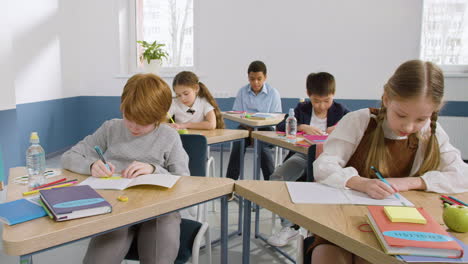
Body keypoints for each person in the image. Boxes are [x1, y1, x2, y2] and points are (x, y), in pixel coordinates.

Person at [308, 60, 468, 264]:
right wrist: (361, 183)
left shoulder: (431, 132)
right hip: (343, 220)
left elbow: (462, 175)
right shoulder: (359, 121)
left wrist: (412, 182)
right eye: (401, 115)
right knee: (328, 258)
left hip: (398, 226)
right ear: (386, 99)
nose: (409, 126)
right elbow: (323, 166)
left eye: (421, 119)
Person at [61, 73, 189, 264]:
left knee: (157, 259)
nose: (134, 127)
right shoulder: (110, 128)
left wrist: (154, 170)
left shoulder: (169, 136)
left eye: (143, 122)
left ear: (159, 116)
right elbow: (69, 157)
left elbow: (184, 180)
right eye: (129, 118)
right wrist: (91, 165)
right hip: (116, 208)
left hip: (159, 211)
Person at [267, 72, 350, 247]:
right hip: (302, 156)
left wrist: (340, 128)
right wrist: (301, 126)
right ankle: (290, 227)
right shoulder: (302, 109)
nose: (321, 105)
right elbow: (282, 126)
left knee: (324, 187)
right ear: (308, 94)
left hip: (330, 160)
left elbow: (356, 130)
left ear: (333, 95)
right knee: (278, 178)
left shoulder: (341, 111)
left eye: (326, 101)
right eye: (316, 101)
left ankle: (326, 231)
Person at [226, 60, 282, 181]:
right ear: (248, 77)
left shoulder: (273, 93)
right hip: (245, 127)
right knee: (237, 144)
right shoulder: (242, 92)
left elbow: (276, 118)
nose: (255, 82)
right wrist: (251, 130)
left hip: (266, 128)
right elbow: (237, 115)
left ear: (265, 77)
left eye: (259, 79)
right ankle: (230, 184)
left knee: (262, 145)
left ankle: (271, 183)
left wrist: (256, 131)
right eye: (252, 79)